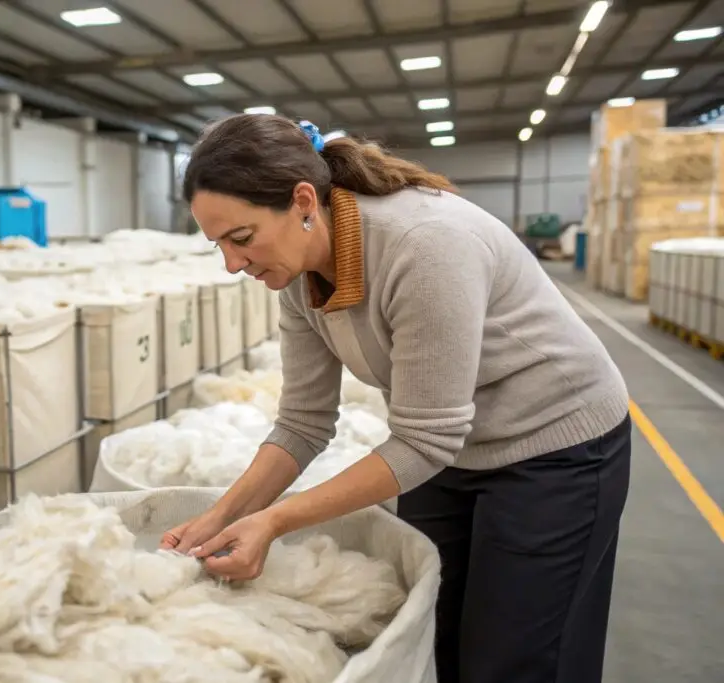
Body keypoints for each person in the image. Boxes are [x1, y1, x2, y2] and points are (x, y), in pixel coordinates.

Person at [158, 113, 631, 683]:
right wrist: (219, 517)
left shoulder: (424, 244)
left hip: (556, 445)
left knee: (517, 659)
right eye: (218, 245)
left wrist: (273, 522)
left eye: (241, 238)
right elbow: (303, 423)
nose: (234, 264)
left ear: (304, 201)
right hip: (458, 447)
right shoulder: (299, 277)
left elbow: (424, 439)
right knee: (436, 634)